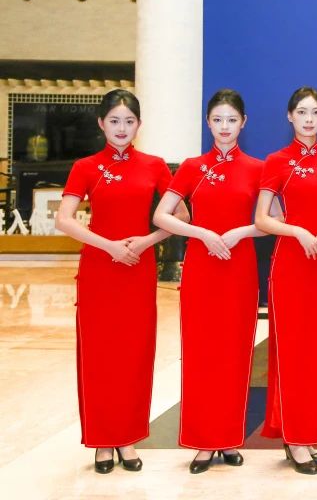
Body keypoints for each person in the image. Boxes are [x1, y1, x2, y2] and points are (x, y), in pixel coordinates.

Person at [56, 89, 179, 474]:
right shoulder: (86, 166)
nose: (122, 128)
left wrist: (145, 241)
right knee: (99, 357)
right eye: (114, 121)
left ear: (139, 124)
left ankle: (127, 439)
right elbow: (64, 219)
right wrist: (109, 246)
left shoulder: (155, 166)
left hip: (138, 269)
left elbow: (182, 217)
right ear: (101, 123)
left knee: (134, 355)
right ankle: (102, 441)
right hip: (99, 270)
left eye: (129, 121)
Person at [153, 89, 265, 474]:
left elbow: (275, 221)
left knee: (236, 352)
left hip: (239, 266)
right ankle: (203, 442)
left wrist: (240, 232)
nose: (224, 127)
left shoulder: (257, 168)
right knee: (201, 353)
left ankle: (229, 438)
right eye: (217, 120)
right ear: (208, 123)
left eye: (231, 120)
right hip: (202, 266)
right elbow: (162, 216)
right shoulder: (192, 167)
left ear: (243, 123)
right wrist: (201, 233)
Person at [253, 86, 317, 475]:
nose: (309, 119)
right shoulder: (277, 161)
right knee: (291, 350)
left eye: (315, 113)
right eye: (302, 112)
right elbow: (262, 218)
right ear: (290, 116)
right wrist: (297, 231)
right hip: (291, 262)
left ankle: (307, 433)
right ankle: (294, 438)